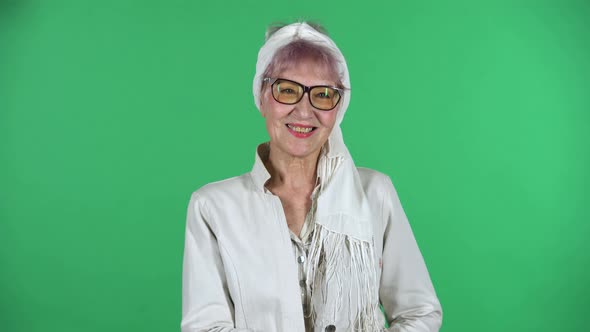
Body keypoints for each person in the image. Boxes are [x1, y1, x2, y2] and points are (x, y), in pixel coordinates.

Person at [181, 22, 443, 332]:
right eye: (287, 90)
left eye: (322, 94)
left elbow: (420, 313)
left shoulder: (375, 193)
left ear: (338, 107)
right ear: (262, 96)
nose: (304, 112)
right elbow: (205, 327)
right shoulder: (213, 207)